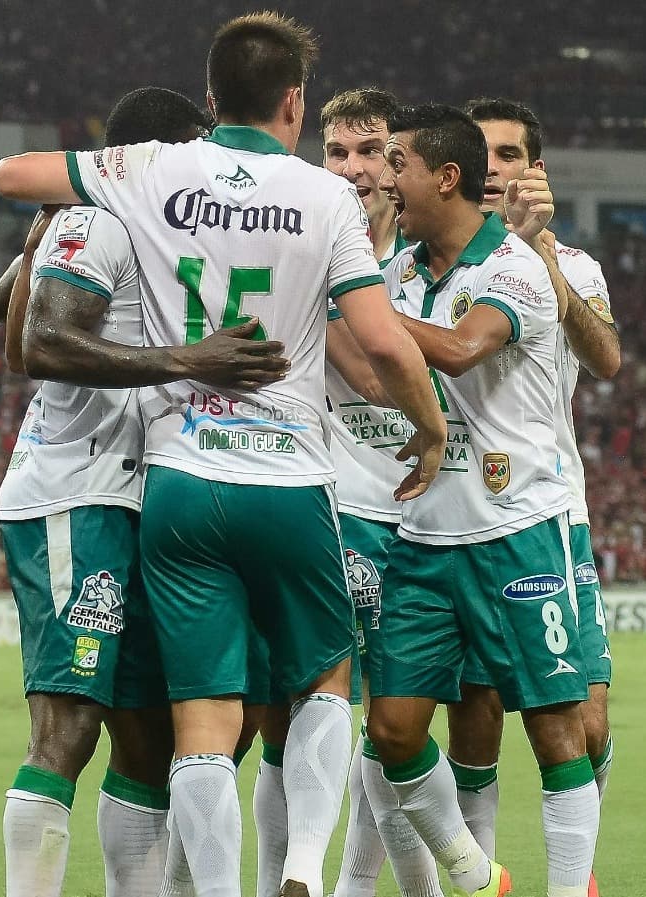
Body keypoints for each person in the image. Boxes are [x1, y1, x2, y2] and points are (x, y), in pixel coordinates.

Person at [0, 13, 447, 897]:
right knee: (104, 721)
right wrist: (427, 427)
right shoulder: (293, 197)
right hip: (170, 484)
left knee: (170, 733)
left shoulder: (151, 189)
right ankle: (307, 872)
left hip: (168, 487)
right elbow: (28, 341)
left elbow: (13, 181)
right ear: (293, 101)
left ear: (214, 100)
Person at [0, 85, 277, 897]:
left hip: (145, 502)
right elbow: (39, 338)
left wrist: (32, 241)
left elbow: (0, 298)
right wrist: (187, 360)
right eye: (196, 149)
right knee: (67, 727)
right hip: (75, 493)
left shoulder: (127, 223)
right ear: (161, 153)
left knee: (151, 739)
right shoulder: (100, 216)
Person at [368, 103, 597, 897]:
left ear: (445, 176)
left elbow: (462, 353)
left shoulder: (515, 268)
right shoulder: (399, 272)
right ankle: (474, 873)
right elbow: (405, 377)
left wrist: (357, 307)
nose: (386, 180)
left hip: (517, 529)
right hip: (425, 535)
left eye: (396, 164)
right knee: (391, 730)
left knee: (554, 727)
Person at [439, 96, 620, 893]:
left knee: (584, 721)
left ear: (531, 170)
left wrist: (537, 251)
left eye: (508, 156)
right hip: (453, 513)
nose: (492, 171)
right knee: (471, 718)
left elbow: (606, 358)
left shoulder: (573, 265)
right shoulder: (430, 261)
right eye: (480, 156)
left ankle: (573, 877)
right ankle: (480, 879)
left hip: (552, 514)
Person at [317, 88, 443, 897]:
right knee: (325, 719)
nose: (353, 169)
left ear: (400, 163)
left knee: (393, 731)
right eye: (336, 153)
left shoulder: (432, 265)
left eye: (369, 151)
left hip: (432, 520)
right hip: (336, 511)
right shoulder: (304, 245)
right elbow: (371, 367)